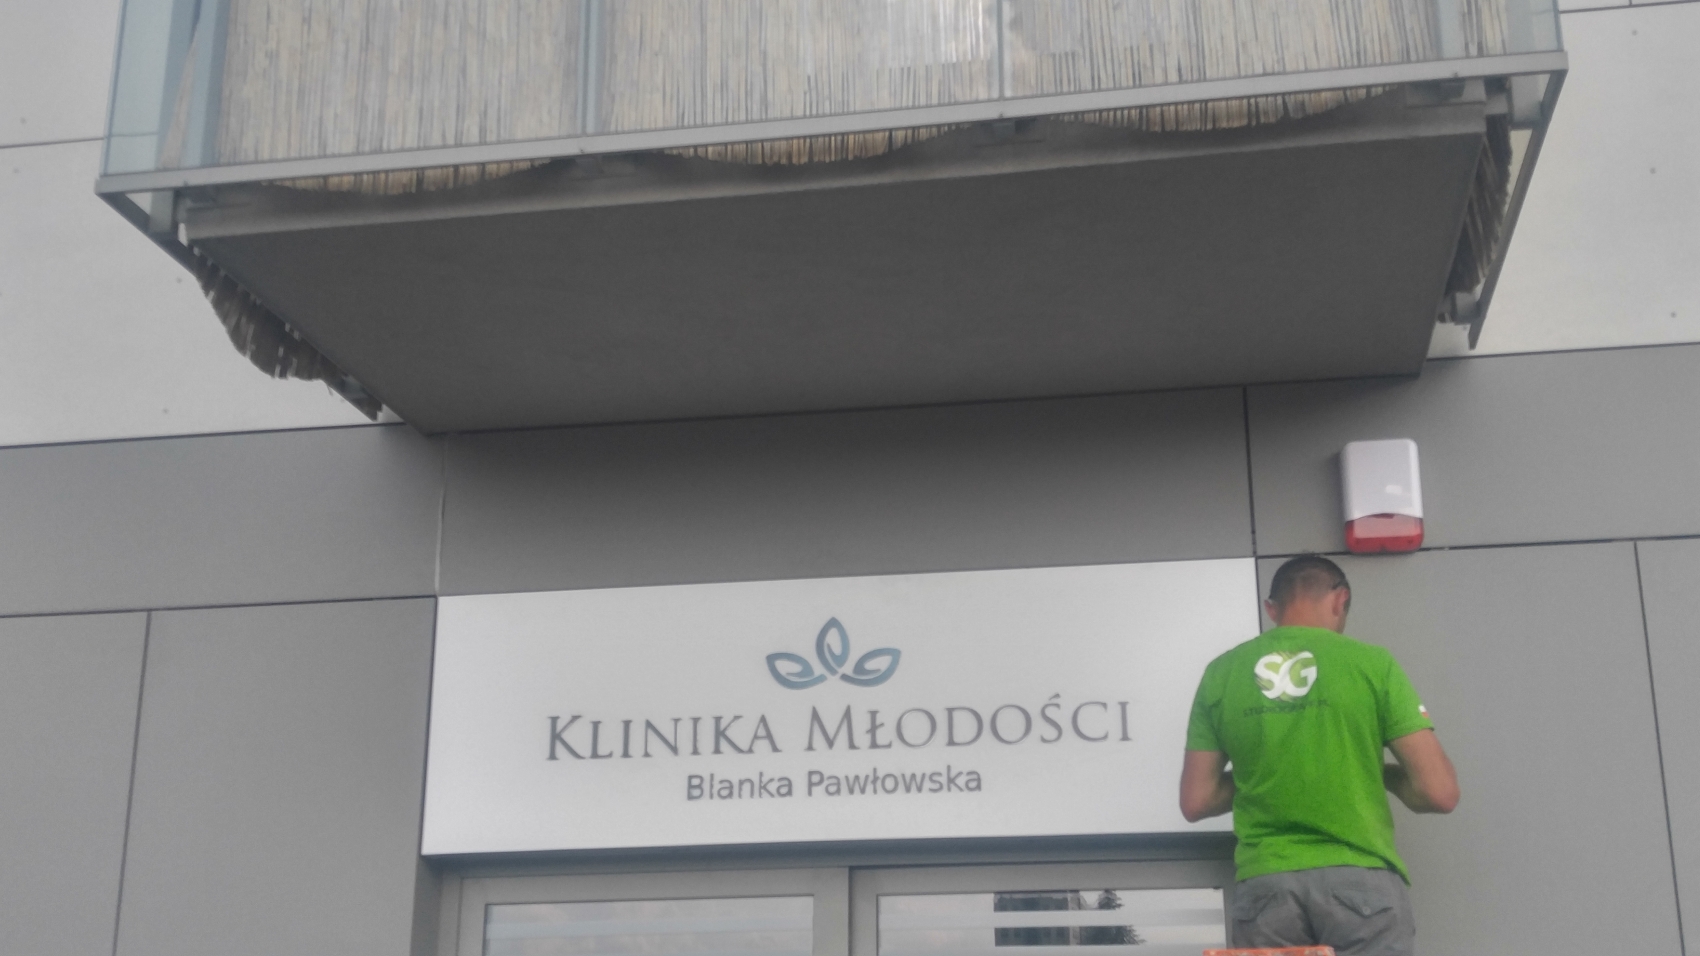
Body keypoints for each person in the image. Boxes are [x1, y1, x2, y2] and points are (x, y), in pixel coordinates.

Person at [1180, 555, 1459, 956]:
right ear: (1340, 599)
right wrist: (1375, 771)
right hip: (1361, 884)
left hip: (1265, 889)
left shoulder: (1221, 674)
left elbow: (1197, 800)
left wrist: (1267, 773)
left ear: (1271, 609)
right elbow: (1439, 792)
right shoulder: (1372, 664)